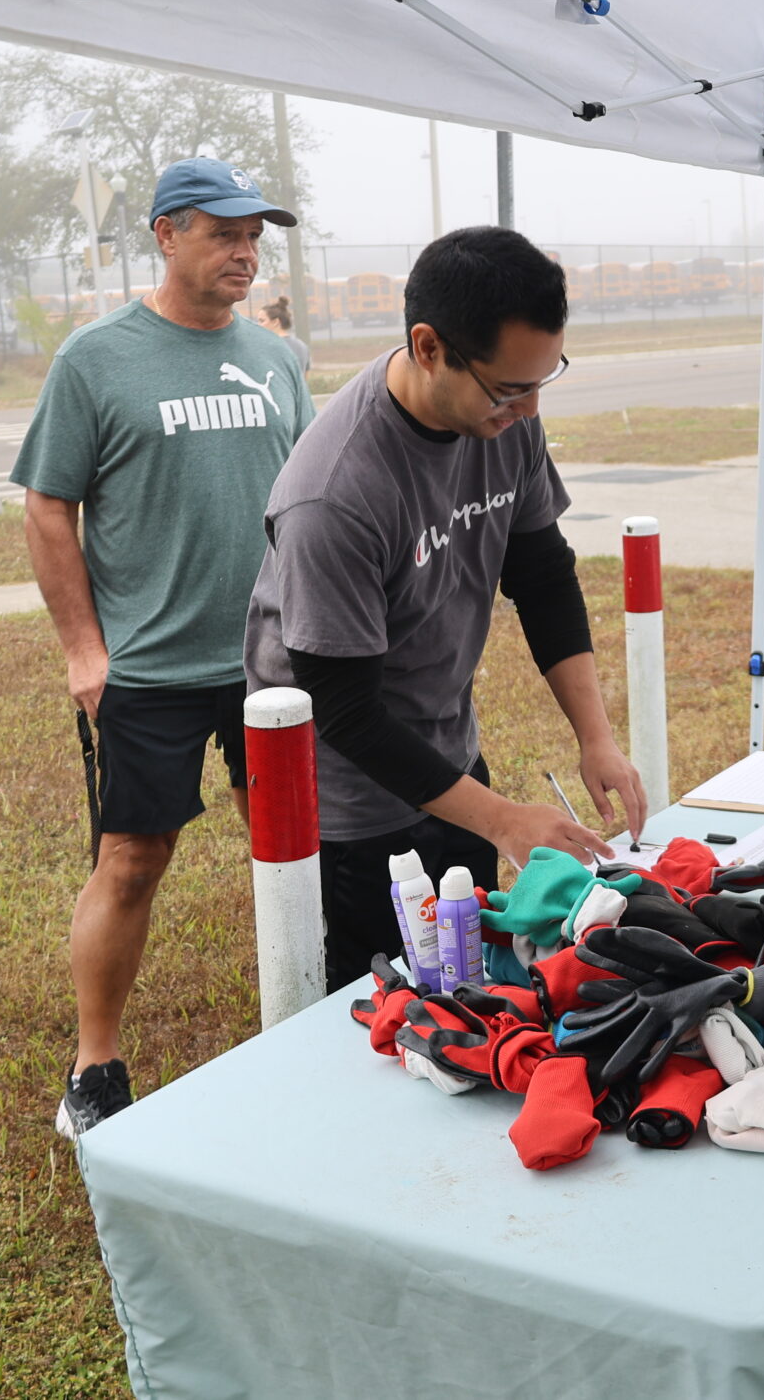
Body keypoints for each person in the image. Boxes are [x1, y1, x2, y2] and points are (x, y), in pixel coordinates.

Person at [245, 226, 645, 989]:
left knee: (470, 982)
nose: (529, 409)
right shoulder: (332, 493)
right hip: (349, 800)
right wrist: (503, 818)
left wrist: (596, 738)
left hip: (448, 753)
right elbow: (347, 713)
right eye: (509, 388)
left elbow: (543, 574)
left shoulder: (503, 417)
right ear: (429, 347)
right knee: (387, 1006)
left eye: (543, 380)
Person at [12, 157, 315, 1140]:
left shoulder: (279, 359)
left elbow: (309, 499)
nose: (245, 252)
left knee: (296, 849)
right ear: (167, 235)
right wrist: (83, 650)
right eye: (224, 233)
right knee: (134, 861)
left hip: (272, 660)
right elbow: (47, 507)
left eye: (254, 236)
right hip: (150, 667)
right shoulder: (96, 360)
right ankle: (93, 1068)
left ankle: (314, 1024)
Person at [257, 294, 311, 378]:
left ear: (275, 322)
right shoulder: (302, 346)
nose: (258, 325)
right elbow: (305, 378)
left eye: (262, 321)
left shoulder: (268, 347)